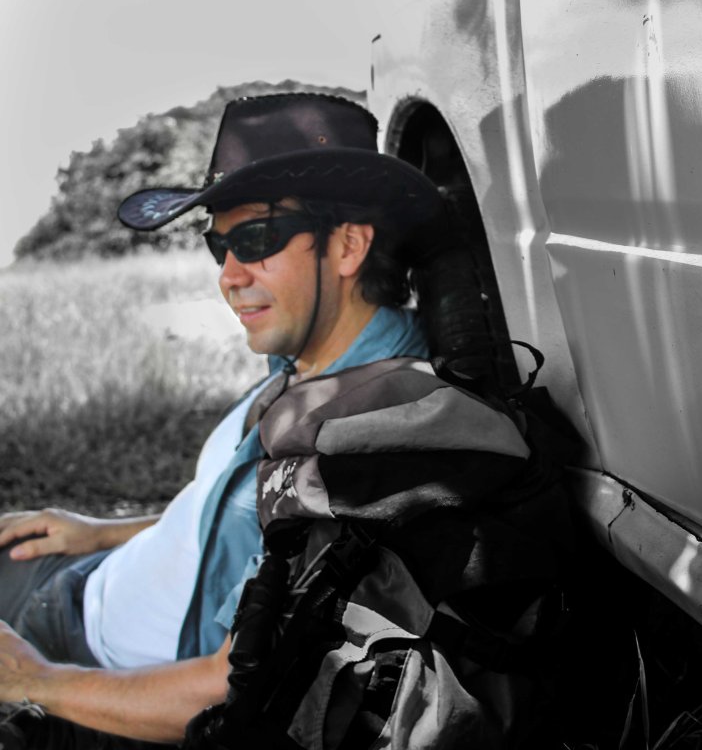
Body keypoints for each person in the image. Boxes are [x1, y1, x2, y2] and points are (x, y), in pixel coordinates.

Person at [0, 93, 443, 747]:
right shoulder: (311, 360)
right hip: (85, 581)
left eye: (255, 240)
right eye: (219, 246)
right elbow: (242, 523)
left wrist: (36, 682)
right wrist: (102, 534)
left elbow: (233, 687)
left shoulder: (362, 435)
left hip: (91, 668)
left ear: (349, 246)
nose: (228, 276)